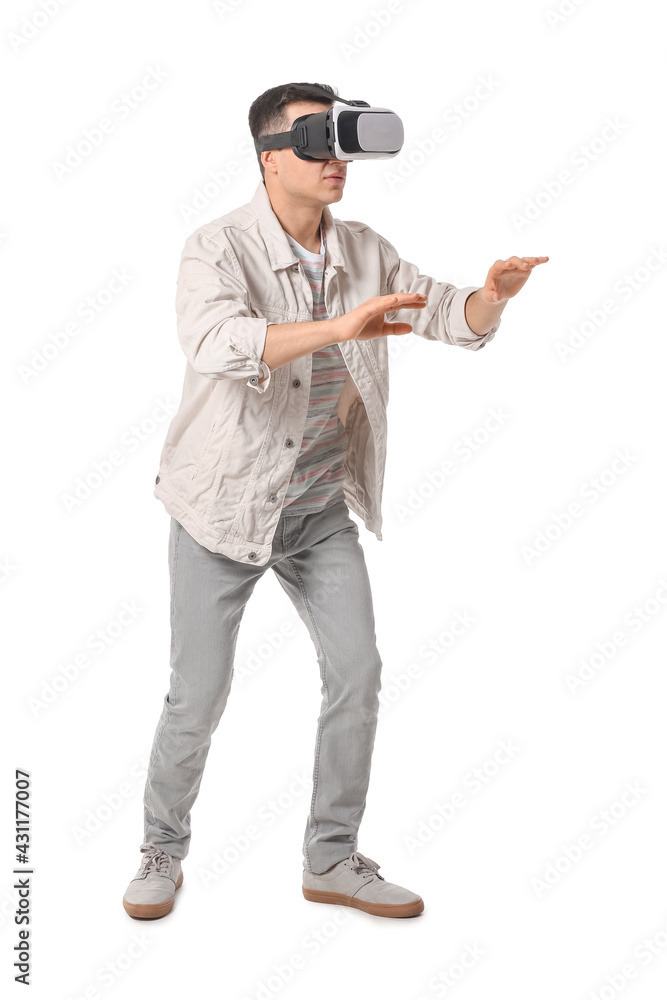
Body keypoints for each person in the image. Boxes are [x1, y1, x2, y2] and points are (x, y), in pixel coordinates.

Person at [122, 81, 548, 921]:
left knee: (358, 674)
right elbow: (218, 343)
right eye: (314, 143)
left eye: (340, 142)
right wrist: (339, 327)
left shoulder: (363, 248)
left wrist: (491, 295)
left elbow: (443, 315)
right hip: (221, 510)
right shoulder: (215, 249)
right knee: (197, 695)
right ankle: (161, 852)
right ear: (268, 157)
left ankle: (332, 858)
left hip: (318, 508)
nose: (333, 161)